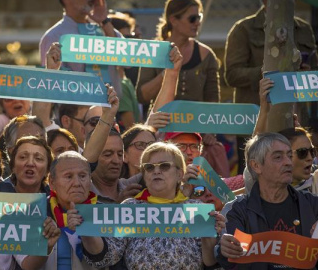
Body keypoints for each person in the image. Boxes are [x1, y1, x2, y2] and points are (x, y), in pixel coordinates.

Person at [70, 142, 224, 269]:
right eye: (149, 167)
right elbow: (105, 258)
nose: (156, 171)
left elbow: (210, 262)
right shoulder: (131, 208)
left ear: (179, 174)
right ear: (144, 175)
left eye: (164, 166)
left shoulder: (196, 210)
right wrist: (86, 229)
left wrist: (209, 235)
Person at [224, 0, 318, 175]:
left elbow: (313, 69)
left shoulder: (303, 28)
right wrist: (269, 73)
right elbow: (232, 74)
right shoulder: (243, 28)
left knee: (300, 174)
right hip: (257, 120)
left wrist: (304, 70)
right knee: (255, 173)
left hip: (296, 118)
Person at [217, 133, 318, 269]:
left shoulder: (313, 204)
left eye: (289, 155)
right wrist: (225, 250)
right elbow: (231, 261)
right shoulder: (237, 210)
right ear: (256, 166)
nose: (288, 162)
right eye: (278, 157)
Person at [136, 0, 220, 115]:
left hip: (196, 126)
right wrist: (168, 73)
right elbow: (142, 96)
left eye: (199, 17)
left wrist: (210, 131)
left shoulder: (205, 54)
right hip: (161, 124)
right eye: (192, 19)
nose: (197, 23)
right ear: (174, 20)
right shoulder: (154, 51)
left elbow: (213, 98)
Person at [39, 0, 122, 97]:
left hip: (113, 107)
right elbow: (51, 82)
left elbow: (128, 61)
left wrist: (104, 20)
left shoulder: (103, 28)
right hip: (74, 109)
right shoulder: (54, 36)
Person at [44, 151, 101, 269]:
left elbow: (106, 259)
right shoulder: (39, 212)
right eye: (68, 176)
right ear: (52, 182)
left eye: (82, 176)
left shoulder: (102, 212)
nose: (77, 183)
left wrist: (85, 230)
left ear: (90, 180)